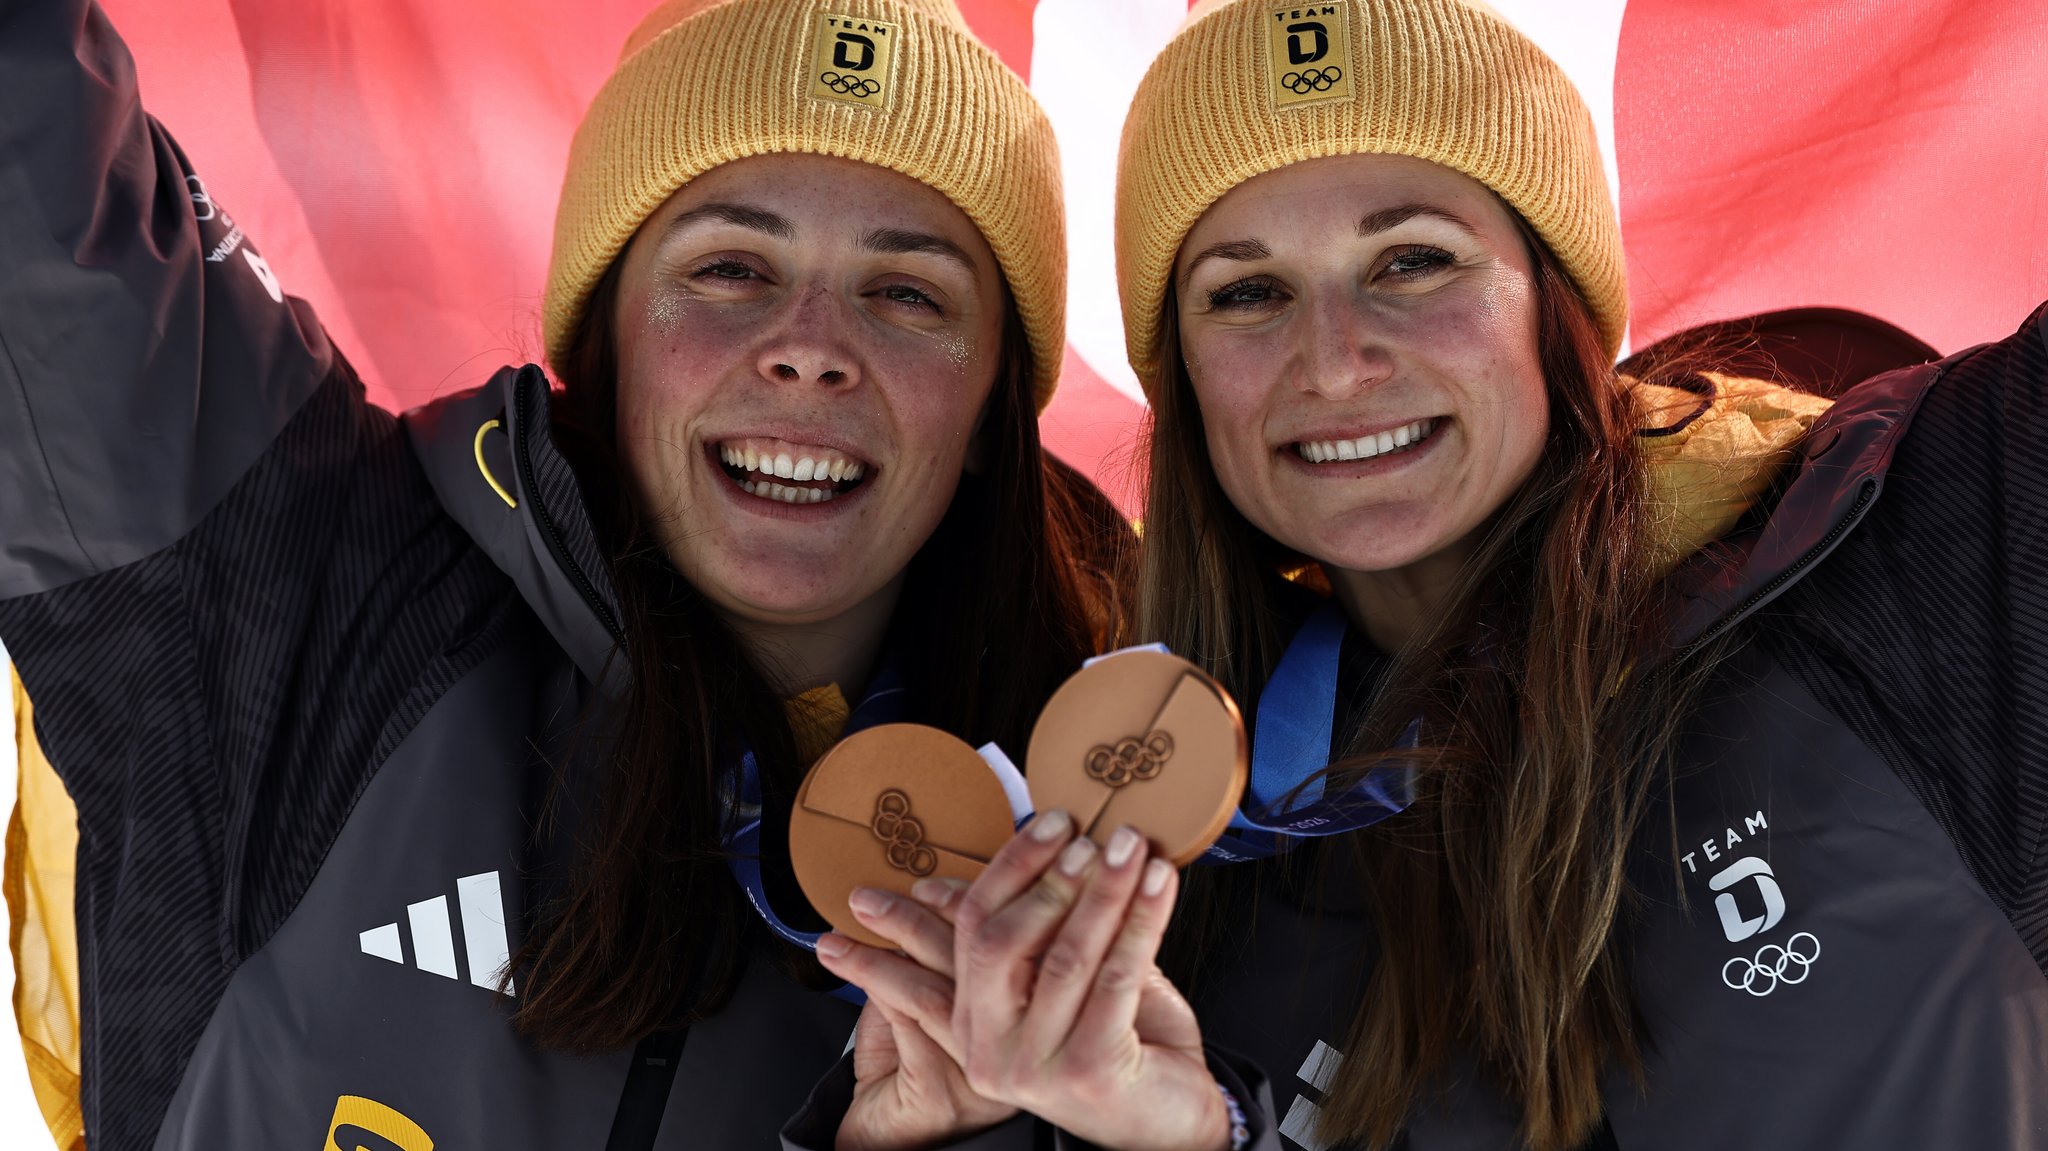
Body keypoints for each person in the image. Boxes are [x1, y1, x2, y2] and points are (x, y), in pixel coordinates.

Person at [798, 0, 2048, 1148]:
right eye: (1246, 292)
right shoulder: (1171, 839)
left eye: (1412, 260)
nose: (1334, 362)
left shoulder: (1914, 544)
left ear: (1551, 299)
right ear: (1182, 386)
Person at [0, 0, 1130, 1146]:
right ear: (604, 330)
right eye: (731, 266)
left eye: (906, 293)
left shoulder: (1124, 844)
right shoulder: (307, 589)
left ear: (994, 402)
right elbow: (37, 204)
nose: (811, 345)